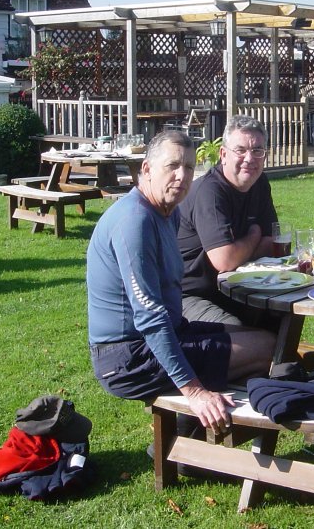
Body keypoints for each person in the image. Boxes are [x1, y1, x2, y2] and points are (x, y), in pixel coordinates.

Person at [87, 130, 275, 434]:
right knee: (267, 348)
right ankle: (187, 438)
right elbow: (149, 318)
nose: (182, 176)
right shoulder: (134, 221)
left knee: (264, 337)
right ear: (147, 169)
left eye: (188, 167)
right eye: (172, 166)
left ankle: (190, 435)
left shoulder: (166, 213)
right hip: (128, 358)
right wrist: (195, 392)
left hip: (170, 333)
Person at [177, 115, 280, 325]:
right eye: (240, 150)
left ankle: (273, 348)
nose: (249, 159)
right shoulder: (210, 192)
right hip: (189, 295)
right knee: (237, 330)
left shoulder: (259, 182)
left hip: (235, 284)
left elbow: (273, 243)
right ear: (223, 155)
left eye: (257, 151)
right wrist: (254, 236)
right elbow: (224, 260)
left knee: (281, 311)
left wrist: (238, 252)